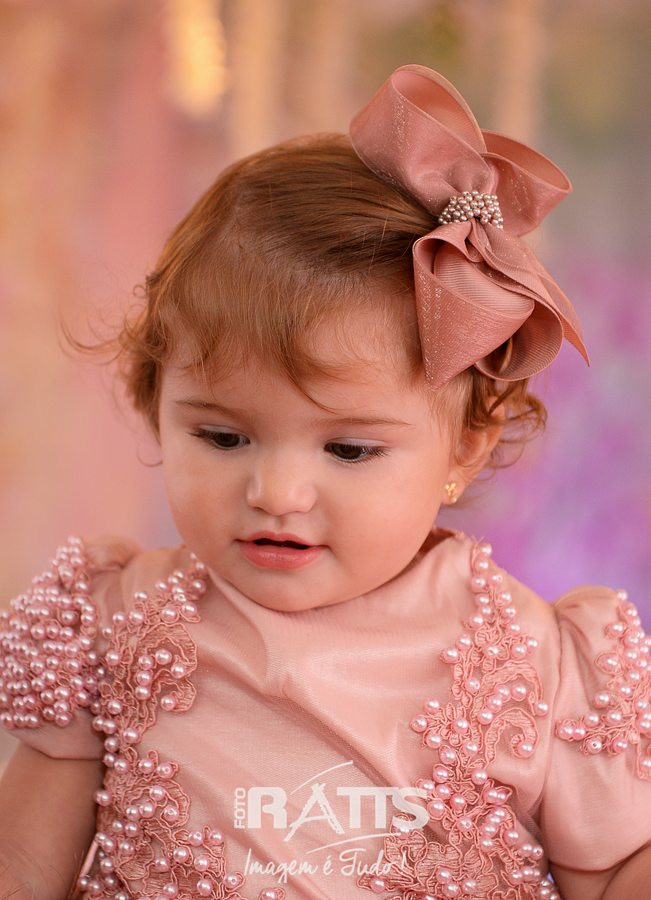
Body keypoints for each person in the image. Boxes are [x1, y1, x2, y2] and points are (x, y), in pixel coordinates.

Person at [0, 64, 649, 900]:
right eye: (222, 436)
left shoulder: (540, 662)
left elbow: (615, 874)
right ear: (154, 404)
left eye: (346, 451)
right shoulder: (112, 624)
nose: (275, 492)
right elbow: (22, 867)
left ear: (466, 447)